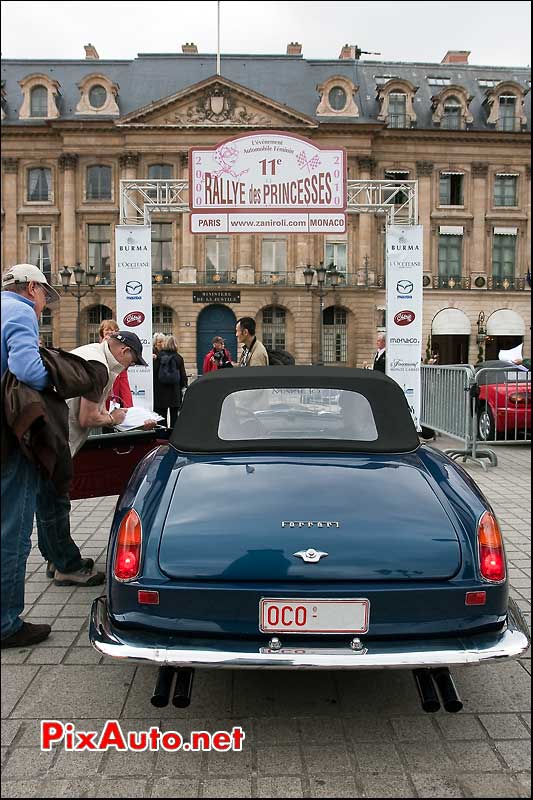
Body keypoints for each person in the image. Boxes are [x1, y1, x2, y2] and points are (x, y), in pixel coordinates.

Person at [35, 331, 148, 587]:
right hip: (55, 439)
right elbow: (87, 418)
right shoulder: (99, 368)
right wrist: (115, 418)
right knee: (55, 502)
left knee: (46, 500)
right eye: (133, 360)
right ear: (124, 351)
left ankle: (56, 557)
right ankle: (67, 566)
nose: (130, 365)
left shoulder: (90, 354)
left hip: (45, 435)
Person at [1, 264, 61, 648]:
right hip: (9, 434)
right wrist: (55, 375)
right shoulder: (19, 311)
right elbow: (26, 369)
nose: (43, 308)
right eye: (44, 299)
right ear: (32, 288)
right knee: (13, 529)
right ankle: (6, 624)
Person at [154, 335, 188, 428]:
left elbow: (155, 373)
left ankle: (161, 436)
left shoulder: (159, 357)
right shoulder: (178, 358)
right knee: (174, 416)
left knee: (161, 416)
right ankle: (173, 435)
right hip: (174, 391)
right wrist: (183, 387)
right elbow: (183, 376)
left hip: (160, 392)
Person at [99, 319, 133, 408]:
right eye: (107, 329)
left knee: (126, 401)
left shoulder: (121, 345)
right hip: (107, 377)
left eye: (112, 330)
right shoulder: (98, 346)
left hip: (120, 376)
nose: (109, 332)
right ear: (102, 332)